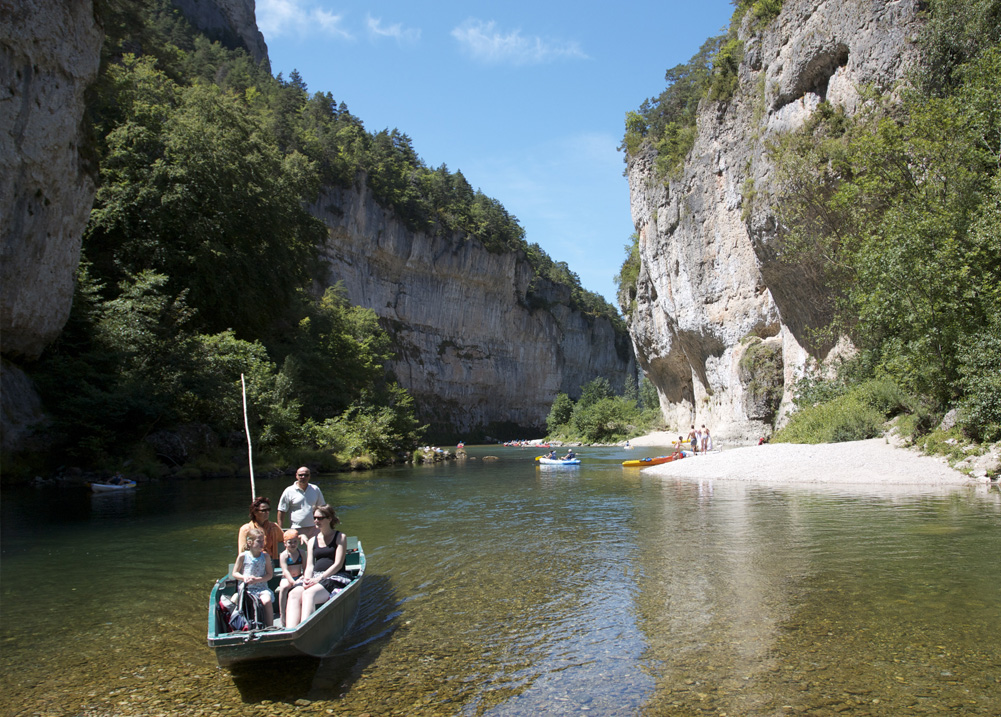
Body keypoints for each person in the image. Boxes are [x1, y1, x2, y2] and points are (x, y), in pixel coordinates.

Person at [283, 504, 348, 629]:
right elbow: (310, 565)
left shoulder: (340, 537)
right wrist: (307, 579)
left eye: (320, 518)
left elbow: (338, 564)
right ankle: (290, 631)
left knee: (309, 595)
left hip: (334, 577)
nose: (316, 521)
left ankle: (304, 630)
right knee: (294, 594)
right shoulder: (312, 540)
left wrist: (319, 579)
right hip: (315, 577)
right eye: (315, 518)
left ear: (329, 519)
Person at [232, 528, 275, 627]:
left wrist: (257, 580)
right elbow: (235, 573)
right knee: (235, 600)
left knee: (267, 601)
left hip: (261, 587)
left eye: (262, 541)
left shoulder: (265, 557)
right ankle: (237, 624)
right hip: (247, 588)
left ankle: (270, 626)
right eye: (258, 541)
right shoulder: (243, 556)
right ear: (250, 542)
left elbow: (269, 575)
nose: (262, 544)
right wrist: (244, 578)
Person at [277, 467, 325, 540]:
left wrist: (324, 525)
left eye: (306, 475)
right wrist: (280, 529)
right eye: (301, 475)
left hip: (315, 528)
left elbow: (322, 508)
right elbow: (281, 510)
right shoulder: (289, 491)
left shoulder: (315, 489)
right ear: (296, 476)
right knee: (299, 551)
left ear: (309, 476)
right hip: (297, 529)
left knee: (316, 550)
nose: (303, 477)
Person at [237, 496, 286, 561]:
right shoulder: (245, 529)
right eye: (263, 510)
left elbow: (286, 538)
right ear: (255, 512)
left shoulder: (274, 527)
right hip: (253, 562)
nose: (267, 512)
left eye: (268, 510)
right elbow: (242, 551)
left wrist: (299, 536)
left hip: (271, 561)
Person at [277, 529, 305, 619]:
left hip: (299, 576)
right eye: (290, 542)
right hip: (287, 578)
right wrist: (292, 582)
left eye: (295, 542)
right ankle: (282, 614)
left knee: (305, 587)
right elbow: (285, 571)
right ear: (285, 544)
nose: (293, 544)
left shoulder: (301, 553)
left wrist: (304, 577)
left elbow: (305, 567)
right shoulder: (284, 555)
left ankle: (302, 611)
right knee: (284, 587)